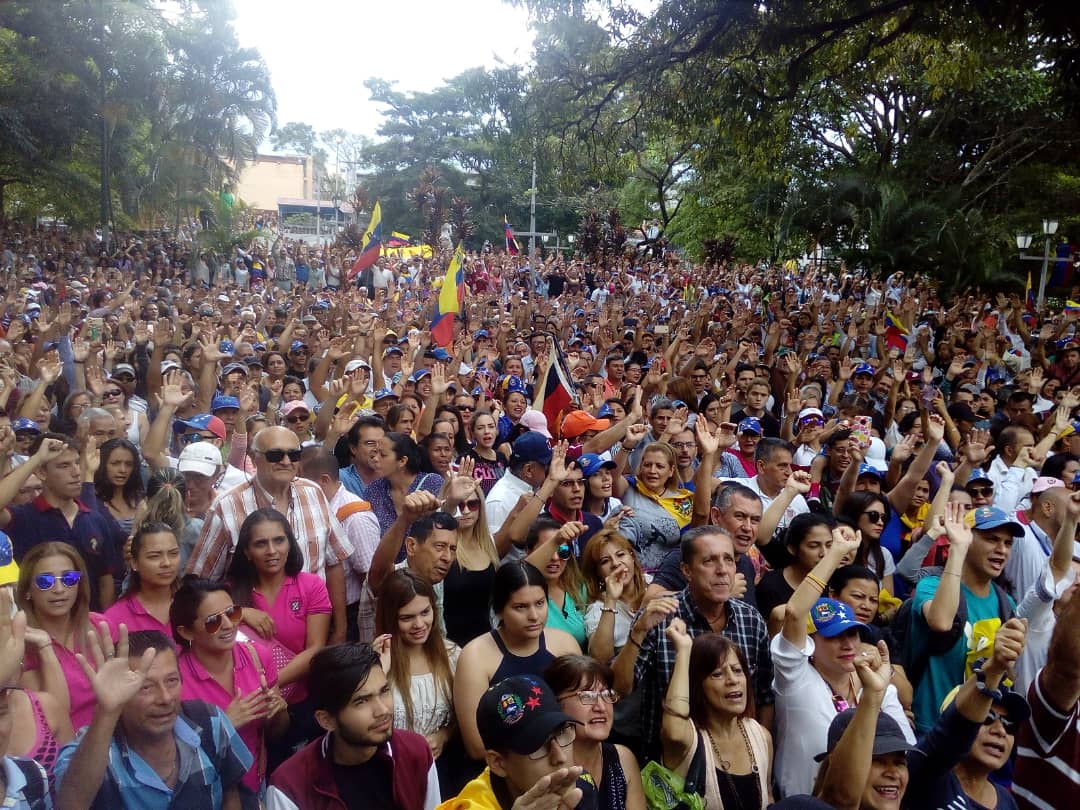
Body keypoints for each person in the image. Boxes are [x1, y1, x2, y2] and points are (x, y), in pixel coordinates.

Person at [771, 526, 914, 798]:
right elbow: (793, 612)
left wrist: (880, 685)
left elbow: (906, 748)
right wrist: (835, 553)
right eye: (835, 636)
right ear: (810, 644)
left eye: (853, 634)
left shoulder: (872, 686)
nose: (848, 644)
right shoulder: (794, 678)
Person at [611, 526, 773, 759]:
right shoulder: (660, 616)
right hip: (671, 762)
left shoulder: (750, 619)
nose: (722, 570)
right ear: (687, 570)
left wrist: (761, 750)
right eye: (709, 561)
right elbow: (620, 687)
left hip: (737, 758)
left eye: (728, 560)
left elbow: (764, 695)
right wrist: (638, 632)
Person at [53, 626, 253, 810]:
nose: (165, 698)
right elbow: (70, 804)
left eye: (172, 681)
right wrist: (107, 711)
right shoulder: (91, 748)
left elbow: (231, 791)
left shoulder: (210, 721)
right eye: (145, 687)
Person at [185, 426, 352, 643]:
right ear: (254, 459)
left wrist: (340, 629)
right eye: (275, 455)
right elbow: (201, 583)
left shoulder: (314, 493)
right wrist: (240, 612)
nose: (286, 461)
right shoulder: (226, 506)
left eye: (293, 454)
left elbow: (334, 563)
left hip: (315, 635)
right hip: (251, 639)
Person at [266, 642, 441, 810]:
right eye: (361, 701)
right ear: (326, 720)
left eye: (384, 691)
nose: (382, 710)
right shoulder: (290, 787)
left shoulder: (416, 752)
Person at [169, 578, 288, 797]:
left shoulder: (257, 657)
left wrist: (279, 712)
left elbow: (275, 733)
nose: (228, 624)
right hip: (206, 793)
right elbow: (171, 757)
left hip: (255, 785)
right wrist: (224, 724)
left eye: (232, 613)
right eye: (213, 621)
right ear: (186, 632)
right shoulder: (174, 679)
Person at [909, 503, 1021, 732]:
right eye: (992, 539)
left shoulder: (1006, 604)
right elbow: (941, 622)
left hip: (977, 731)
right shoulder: (931, 586)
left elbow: (1008, 676)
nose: (1002, 549)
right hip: (930, 729)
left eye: (1008, 543)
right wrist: (958, 550)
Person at [454, 562, 581, 760]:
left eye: (540, 603)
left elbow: (580, 714)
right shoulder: (475, 657)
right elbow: (477, 746)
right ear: (499, 610)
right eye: (520, 607)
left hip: (564, 756)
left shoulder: (565, 644)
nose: (533, 616)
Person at [0, 435, 125, 610]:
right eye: (64, 466)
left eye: (76, 463)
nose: (76, 472)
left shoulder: (95, 519)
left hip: (88, 627)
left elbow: (105, 580)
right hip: (37, 629)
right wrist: (36, 459)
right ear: (42, 473)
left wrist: (104, 624)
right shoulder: (22, 517)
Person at [661, 619, 772, 809]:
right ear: (698, 686)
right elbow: (674, 729)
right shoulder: (688, 739)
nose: (732, 680)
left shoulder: (762, 736)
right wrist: (684, 651)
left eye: (738, 671)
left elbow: (768, 797)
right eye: (717, 674)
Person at [437, 674, 593, 810]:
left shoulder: (582, 785)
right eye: (537, 745)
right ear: (498, 763)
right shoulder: (473, 806)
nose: (560, 757)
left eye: (561, 733)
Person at [375, 570, 459, 775]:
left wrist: (444, 735)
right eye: (407, 617)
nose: (419, 625)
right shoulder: (375, 661)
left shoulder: (453, 656)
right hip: (388, 771)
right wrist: (377, 671)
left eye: (425, 612)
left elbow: (468, 716)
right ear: (390, 618)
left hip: (442, 769)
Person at [16, 542, 104, 732]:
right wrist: (46, 649)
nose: (59, 589)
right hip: (65, 750)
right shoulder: (20, 645)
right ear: (27, 591)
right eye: (45, 581)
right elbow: (55, 718)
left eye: (69, 579)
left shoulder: (102, 626)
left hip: (115, 738)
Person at [545, 655, 646, 810]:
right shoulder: (543, 768)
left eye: (606, 695)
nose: (601, 707)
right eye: (587, 696)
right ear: (556, 704)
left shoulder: (623, 759)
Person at [616, 442, 693, 572]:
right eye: (647, 465)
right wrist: (627, 446)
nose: (652, 471)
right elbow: (613, 476)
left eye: (659, 466)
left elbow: (688, 546)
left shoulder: (683, 501)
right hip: (628, 572)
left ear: (671, 471)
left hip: (666, 577)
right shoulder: (629, 487)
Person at [580, 530, 647, 661]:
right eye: (605, 561)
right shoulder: (597, 609)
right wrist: (611, 599)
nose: (616, 563)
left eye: (621, 555)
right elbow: (600, 659)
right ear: (597, 573)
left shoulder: (655, 585)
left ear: (632, 557)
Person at [103, 522, 180, 635]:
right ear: (134, 563)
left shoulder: (194, 606)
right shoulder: (115, 619)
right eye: (154, 556)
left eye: (174, 554)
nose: (167, 563)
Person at [523, 519, 590, 647]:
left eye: (562, 551)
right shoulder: (520, 593)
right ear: (528, 551)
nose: (555, 558)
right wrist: (557, 539)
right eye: (548, 550)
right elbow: (522, 572)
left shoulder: (578, 587)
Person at [365, 432, 445, 536]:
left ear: (402, 461)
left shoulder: (432, 482)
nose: (375, 459)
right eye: (375, 453)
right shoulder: (374, 489)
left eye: (383, 455)